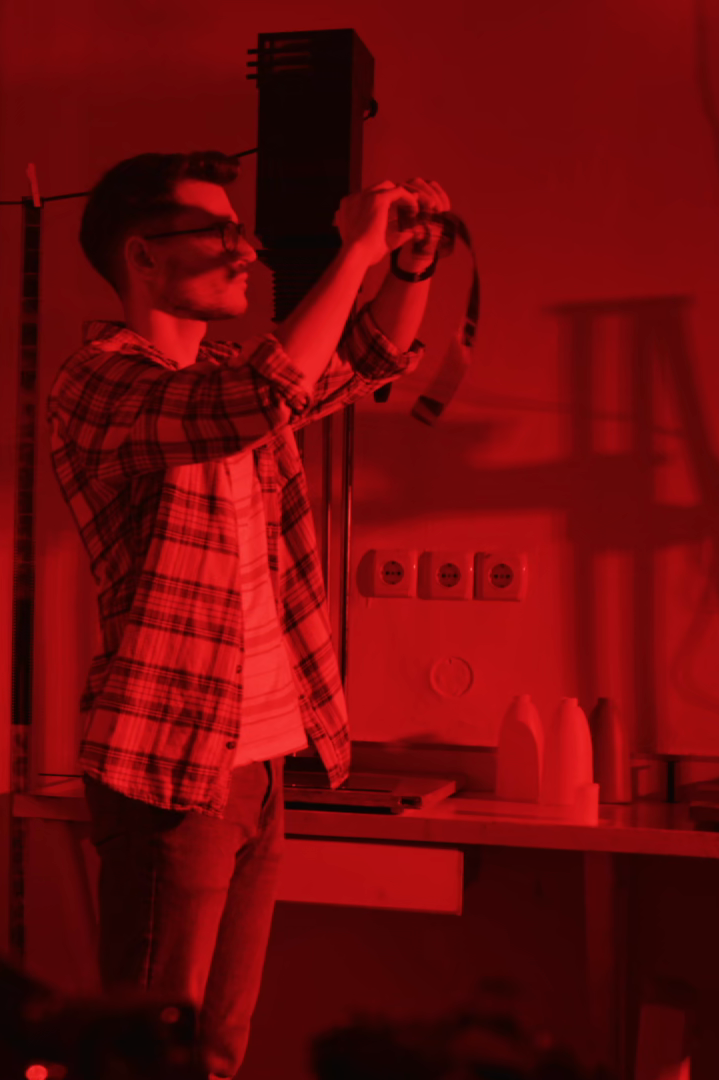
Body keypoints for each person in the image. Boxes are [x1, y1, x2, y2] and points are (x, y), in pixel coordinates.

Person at [48, 151, 452, 1079]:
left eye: (243, 232)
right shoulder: (101, 381)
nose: (247, 251)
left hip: (258, 762)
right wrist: (353, 254)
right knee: (152, 1057)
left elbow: (362, 360)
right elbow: (266, 393)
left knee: (219, 1052)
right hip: (168, 766)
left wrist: (409, 265)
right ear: (143, 257)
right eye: (220, 233)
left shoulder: (226, 375)